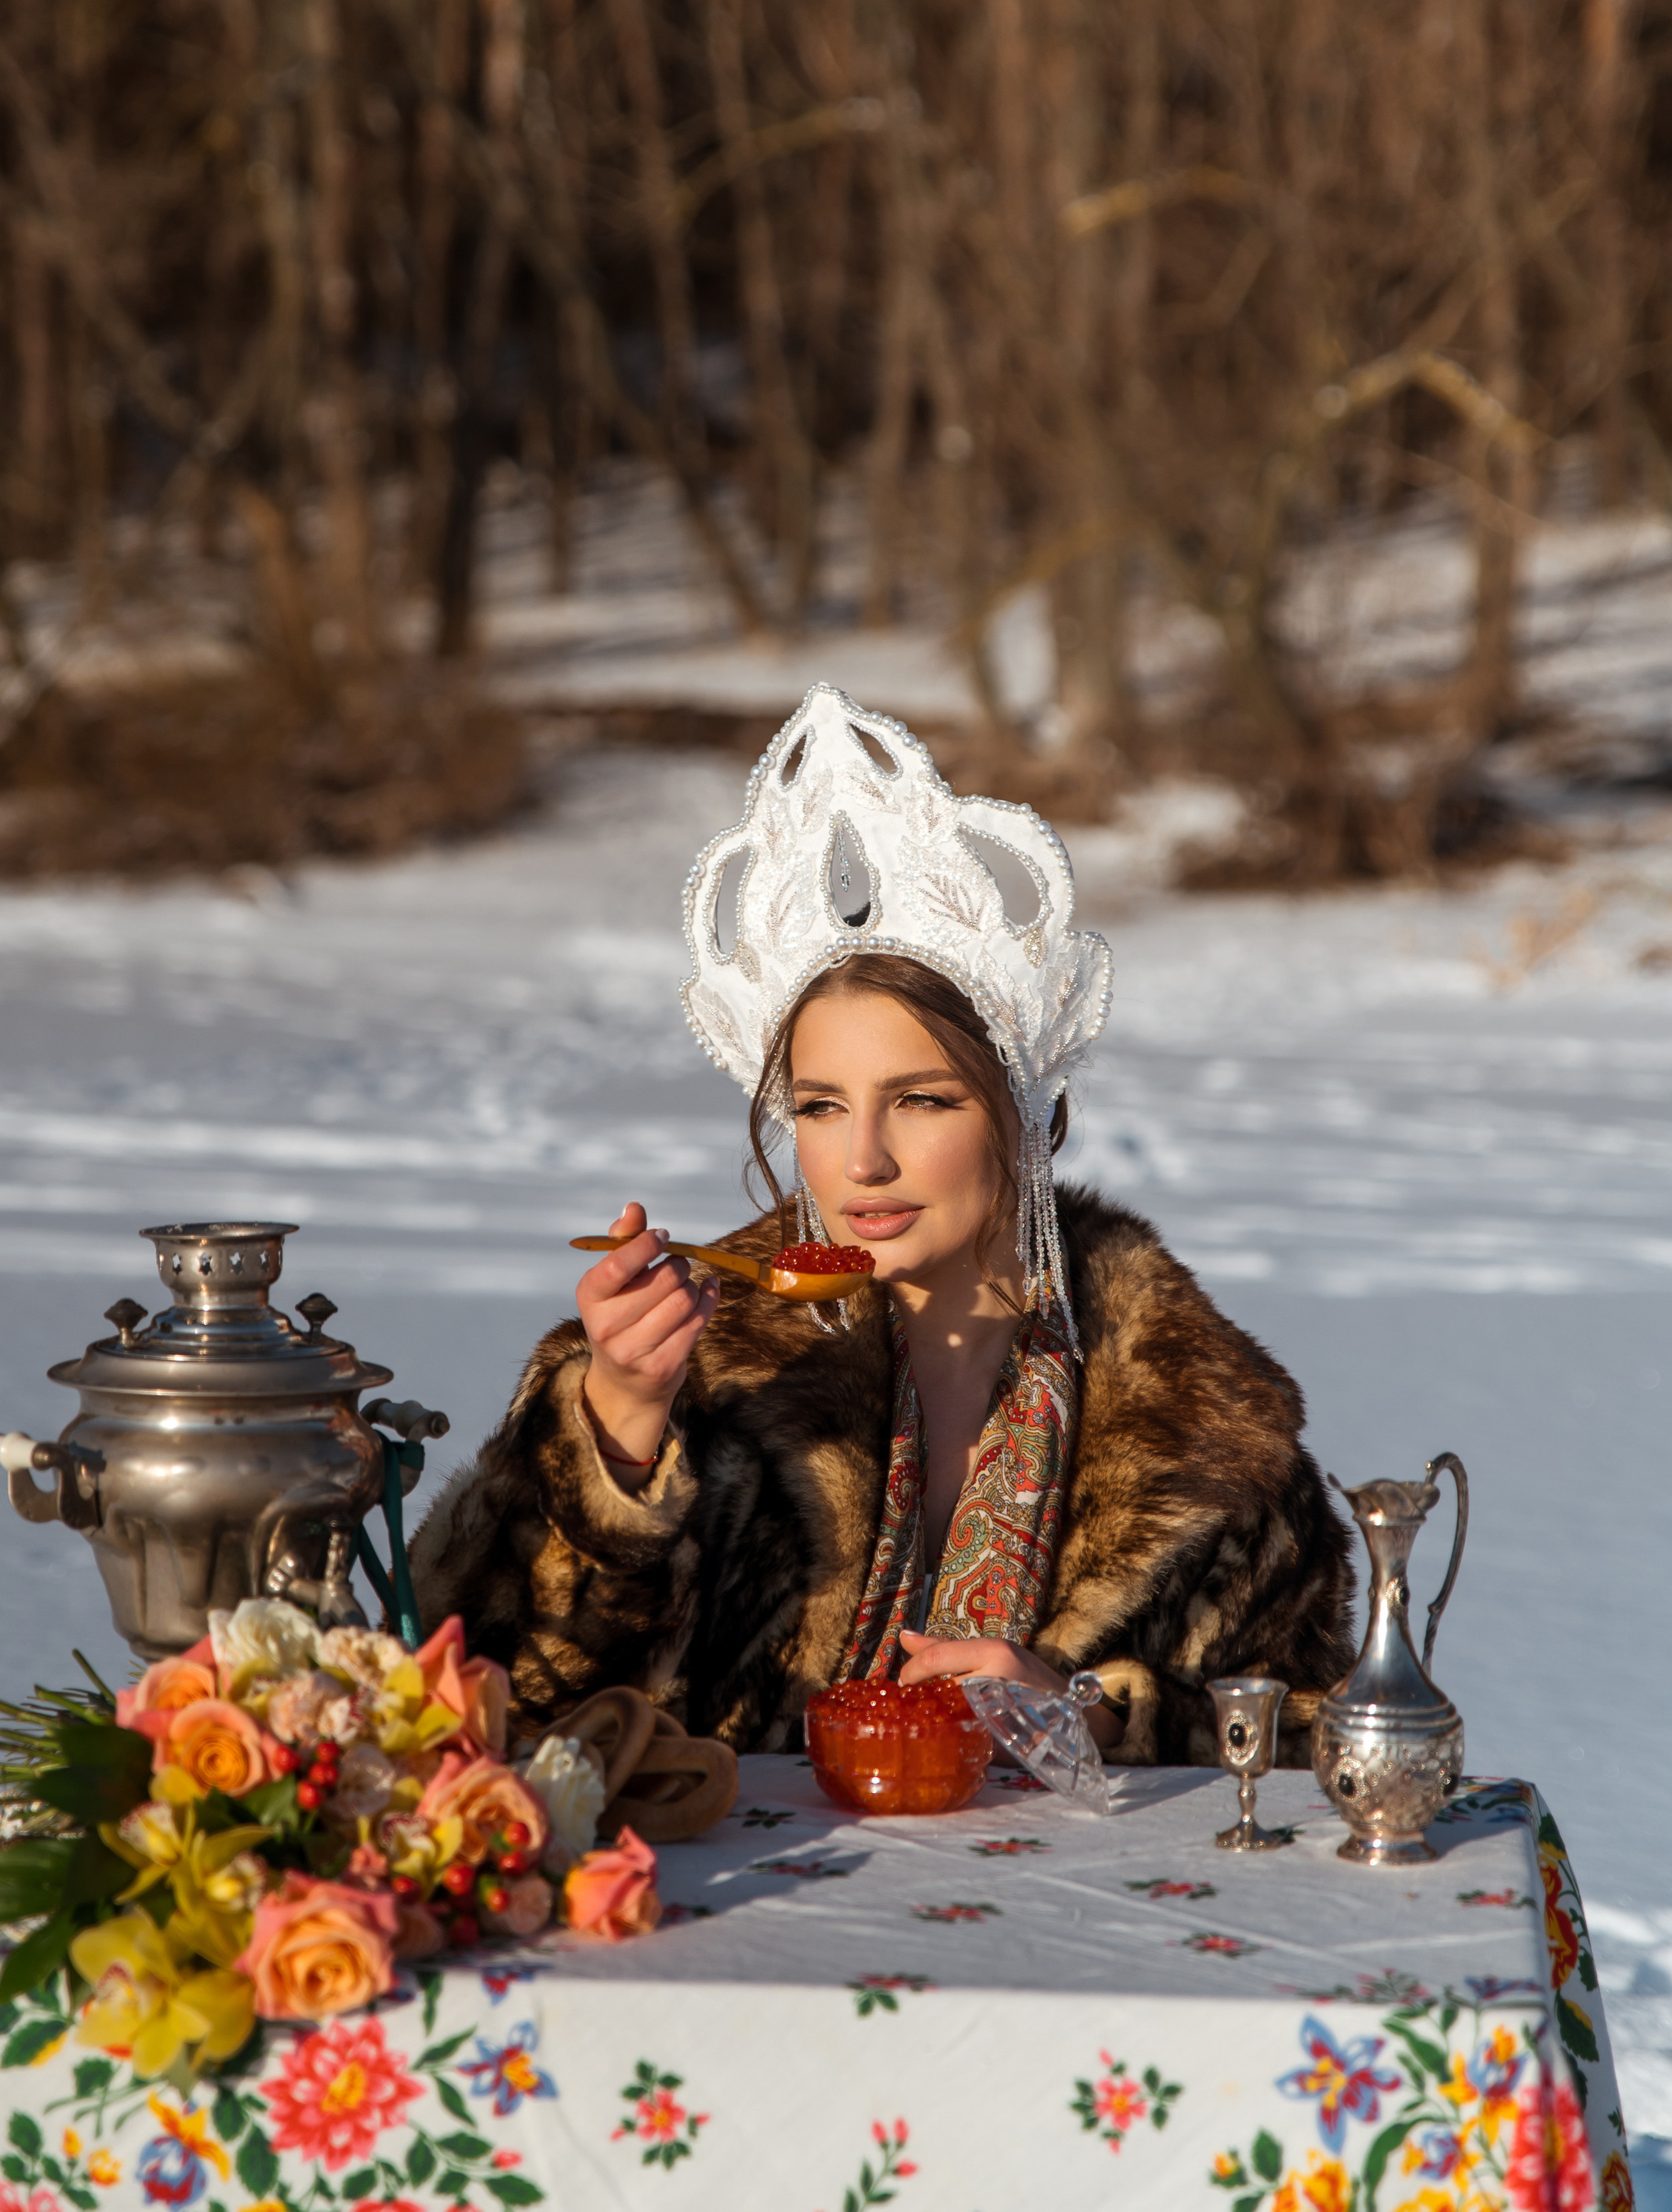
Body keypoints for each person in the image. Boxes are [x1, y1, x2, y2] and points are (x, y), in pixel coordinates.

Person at [411, 686, 1353, 1766]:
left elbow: (1330, 1748)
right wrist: (614, 1441)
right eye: (821, 1107)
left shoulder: (1205, 1429)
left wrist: (1094, 1713)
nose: (861, 1160)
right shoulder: (698, 1378)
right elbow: (482, 1709)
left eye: (921, 1100)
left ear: (1022, 1115)